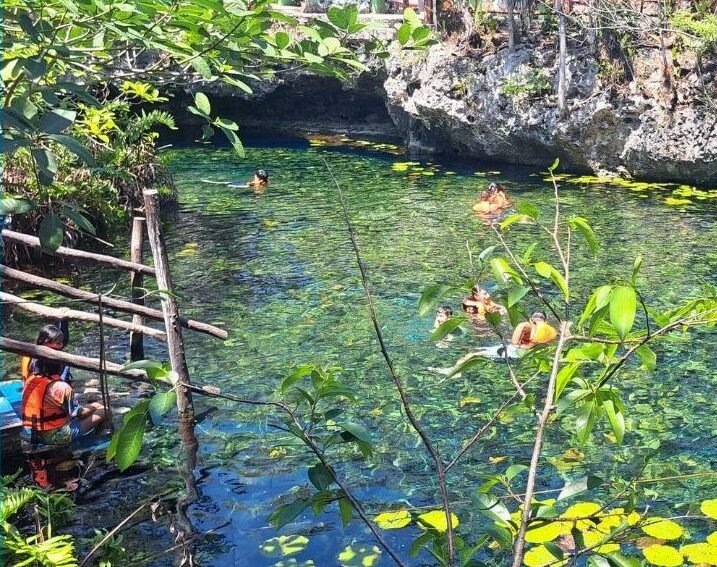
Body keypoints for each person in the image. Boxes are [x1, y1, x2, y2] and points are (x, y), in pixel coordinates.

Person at [22, 349, 106, 446]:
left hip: (31, 432)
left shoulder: (31, 380)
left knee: (99, 404)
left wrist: (96, 404)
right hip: (54, 436)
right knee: (105, 410)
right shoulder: (62, 387)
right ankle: (97, 441)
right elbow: (79, 414)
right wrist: (99, 404)